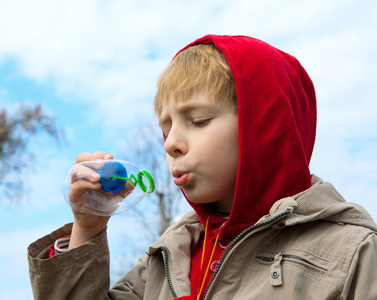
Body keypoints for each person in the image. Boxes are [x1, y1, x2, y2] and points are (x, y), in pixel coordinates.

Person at [27, 35, 377, 299]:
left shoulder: (353, 254)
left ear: (267, 127)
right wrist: (87, 229)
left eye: (198, 120)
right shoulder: (167, 258)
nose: (170, 143)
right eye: (166, 127)